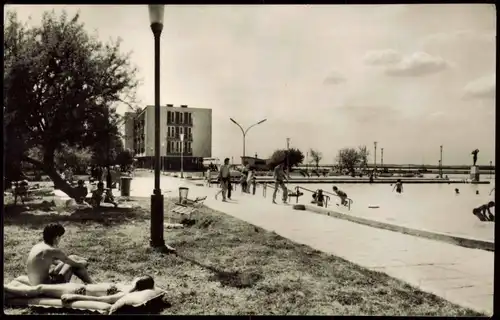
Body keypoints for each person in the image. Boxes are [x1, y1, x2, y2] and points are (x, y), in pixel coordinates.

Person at [26, 223, 93, 286]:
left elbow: (57, 262)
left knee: (71, 257)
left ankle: (90, 282)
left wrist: (75, 259)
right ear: (57, 238)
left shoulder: (38, 246)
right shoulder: (52, 251)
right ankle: (91, 284)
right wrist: (83, 263)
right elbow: (73, 264)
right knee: (74, 265)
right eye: (60, 237)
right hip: (45, 285)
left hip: (34, 282)